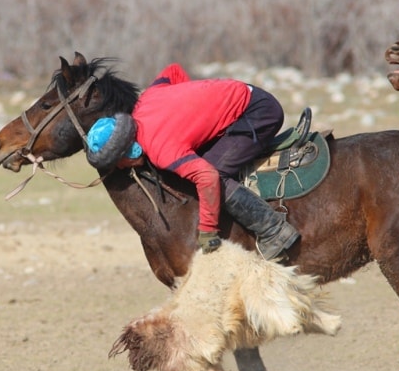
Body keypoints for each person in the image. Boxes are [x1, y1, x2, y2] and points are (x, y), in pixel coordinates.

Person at [110, 63, 300, 259]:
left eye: (117, 162)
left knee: (216, 172)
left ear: (127, 151)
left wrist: (207, 230)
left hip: (259, 112)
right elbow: (173, 71)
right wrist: (196, 104)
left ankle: (275, 231)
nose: (120, 167)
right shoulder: (145, 101)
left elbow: (208, 177)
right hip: (245, 93)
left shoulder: (162, 152)